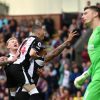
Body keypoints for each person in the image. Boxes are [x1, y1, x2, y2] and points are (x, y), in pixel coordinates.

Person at [74, 6, 100, 100]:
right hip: (95, 75)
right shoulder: (93, 34)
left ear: (95, 14)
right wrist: (85, 75)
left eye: (86, 13)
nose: (82, 16)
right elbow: (97, 61)